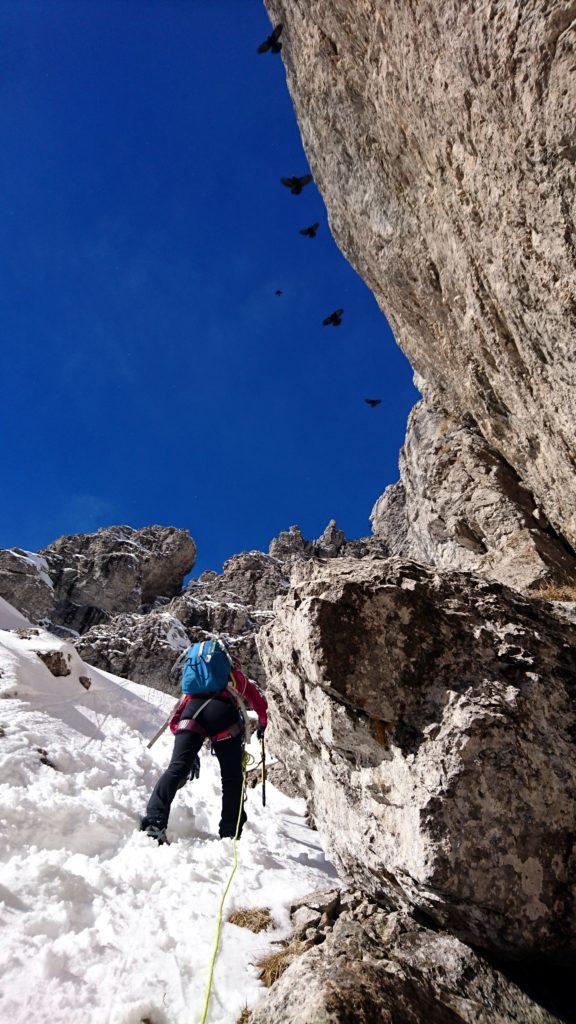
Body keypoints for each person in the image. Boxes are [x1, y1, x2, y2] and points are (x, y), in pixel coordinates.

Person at [141, 648, 268, 845]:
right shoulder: (234, 677)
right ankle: (229, 834)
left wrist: (189, 752)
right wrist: (262, 722)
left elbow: (175, 717)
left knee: (176, 768)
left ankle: (154, 822)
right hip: (224, 716)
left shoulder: (195, 685)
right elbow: (257, 700)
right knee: (232, 778)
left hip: (192, 713)